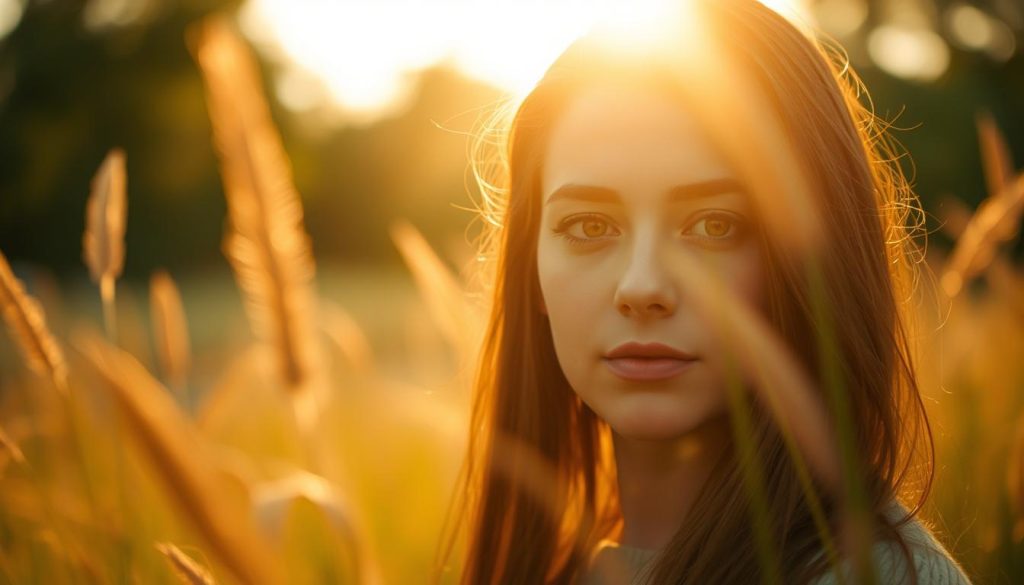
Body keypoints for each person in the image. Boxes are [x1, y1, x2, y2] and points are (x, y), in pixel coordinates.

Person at [436, 0, 973, 582]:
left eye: (715, 225)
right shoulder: (552, 567)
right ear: (530, 270)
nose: (642, 286)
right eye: (589, 226)